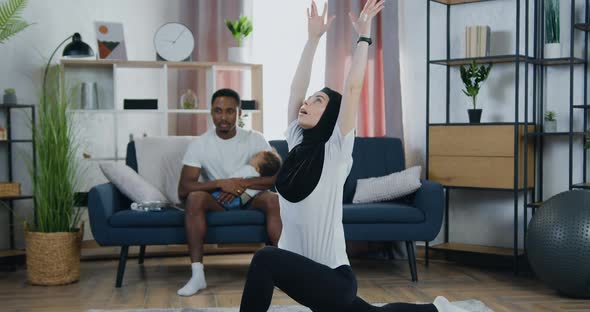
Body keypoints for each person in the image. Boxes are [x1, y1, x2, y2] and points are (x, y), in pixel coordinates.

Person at [238, 1, 468, 311]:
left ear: (331, 114)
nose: (305, 102)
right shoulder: (295, 143)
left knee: (265, 258)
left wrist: (363, 38)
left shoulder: (335, 152)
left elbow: (354, 87)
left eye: (317, 100)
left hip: (334, 280)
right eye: (309, 99)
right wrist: (313, 39)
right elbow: (295, 89)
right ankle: (436, 309)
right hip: (307, 277)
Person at [177, 88, 282, 297]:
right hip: (218, 199)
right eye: (218, 111)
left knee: (274, 200)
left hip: (251, 197)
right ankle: (197, 275)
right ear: (211, 113)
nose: (223, 117)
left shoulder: (255, 138)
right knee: (195, 198)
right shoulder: (200, 144)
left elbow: (274, 178)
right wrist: (221, 184)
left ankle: (281, 270)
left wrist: (240, 184)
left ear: (239, 113)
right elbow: (184, 188)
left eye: (229, 111)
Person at [210, 150, 282, 210]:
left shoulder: (249, 169)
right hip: (240, 202)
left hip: (226, 196)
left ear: (258, 168)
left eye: (256, 156)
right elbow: (248, 196)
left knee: (212, 193)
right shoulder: (261, 184)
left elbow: (231, 180)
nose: (253, 155)